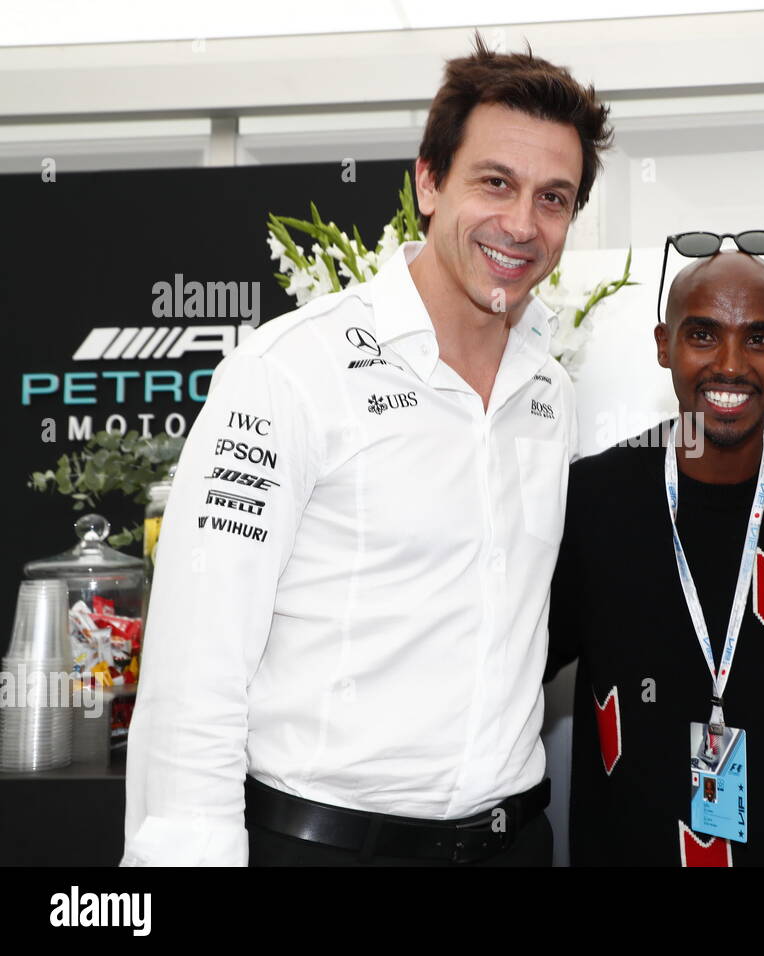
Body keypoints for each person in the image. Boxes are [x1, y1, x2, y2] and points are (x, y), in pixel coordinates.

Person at [122, 36, 612, 867]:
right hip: (326, 846)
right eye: (495, 182)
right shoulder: (288, 371)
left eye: (553, 198)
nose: (522, 224)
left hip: (515, 843)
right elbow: (196, 663)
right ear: (428, 180)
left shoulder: (550, 397)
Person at [546, 241, 764, 866]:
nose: (730, 364)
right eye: (702, 334)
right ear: (663, 344)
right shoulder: (592, 496)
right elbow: (513, 664)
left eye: (759, 338)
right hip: (628, 849)